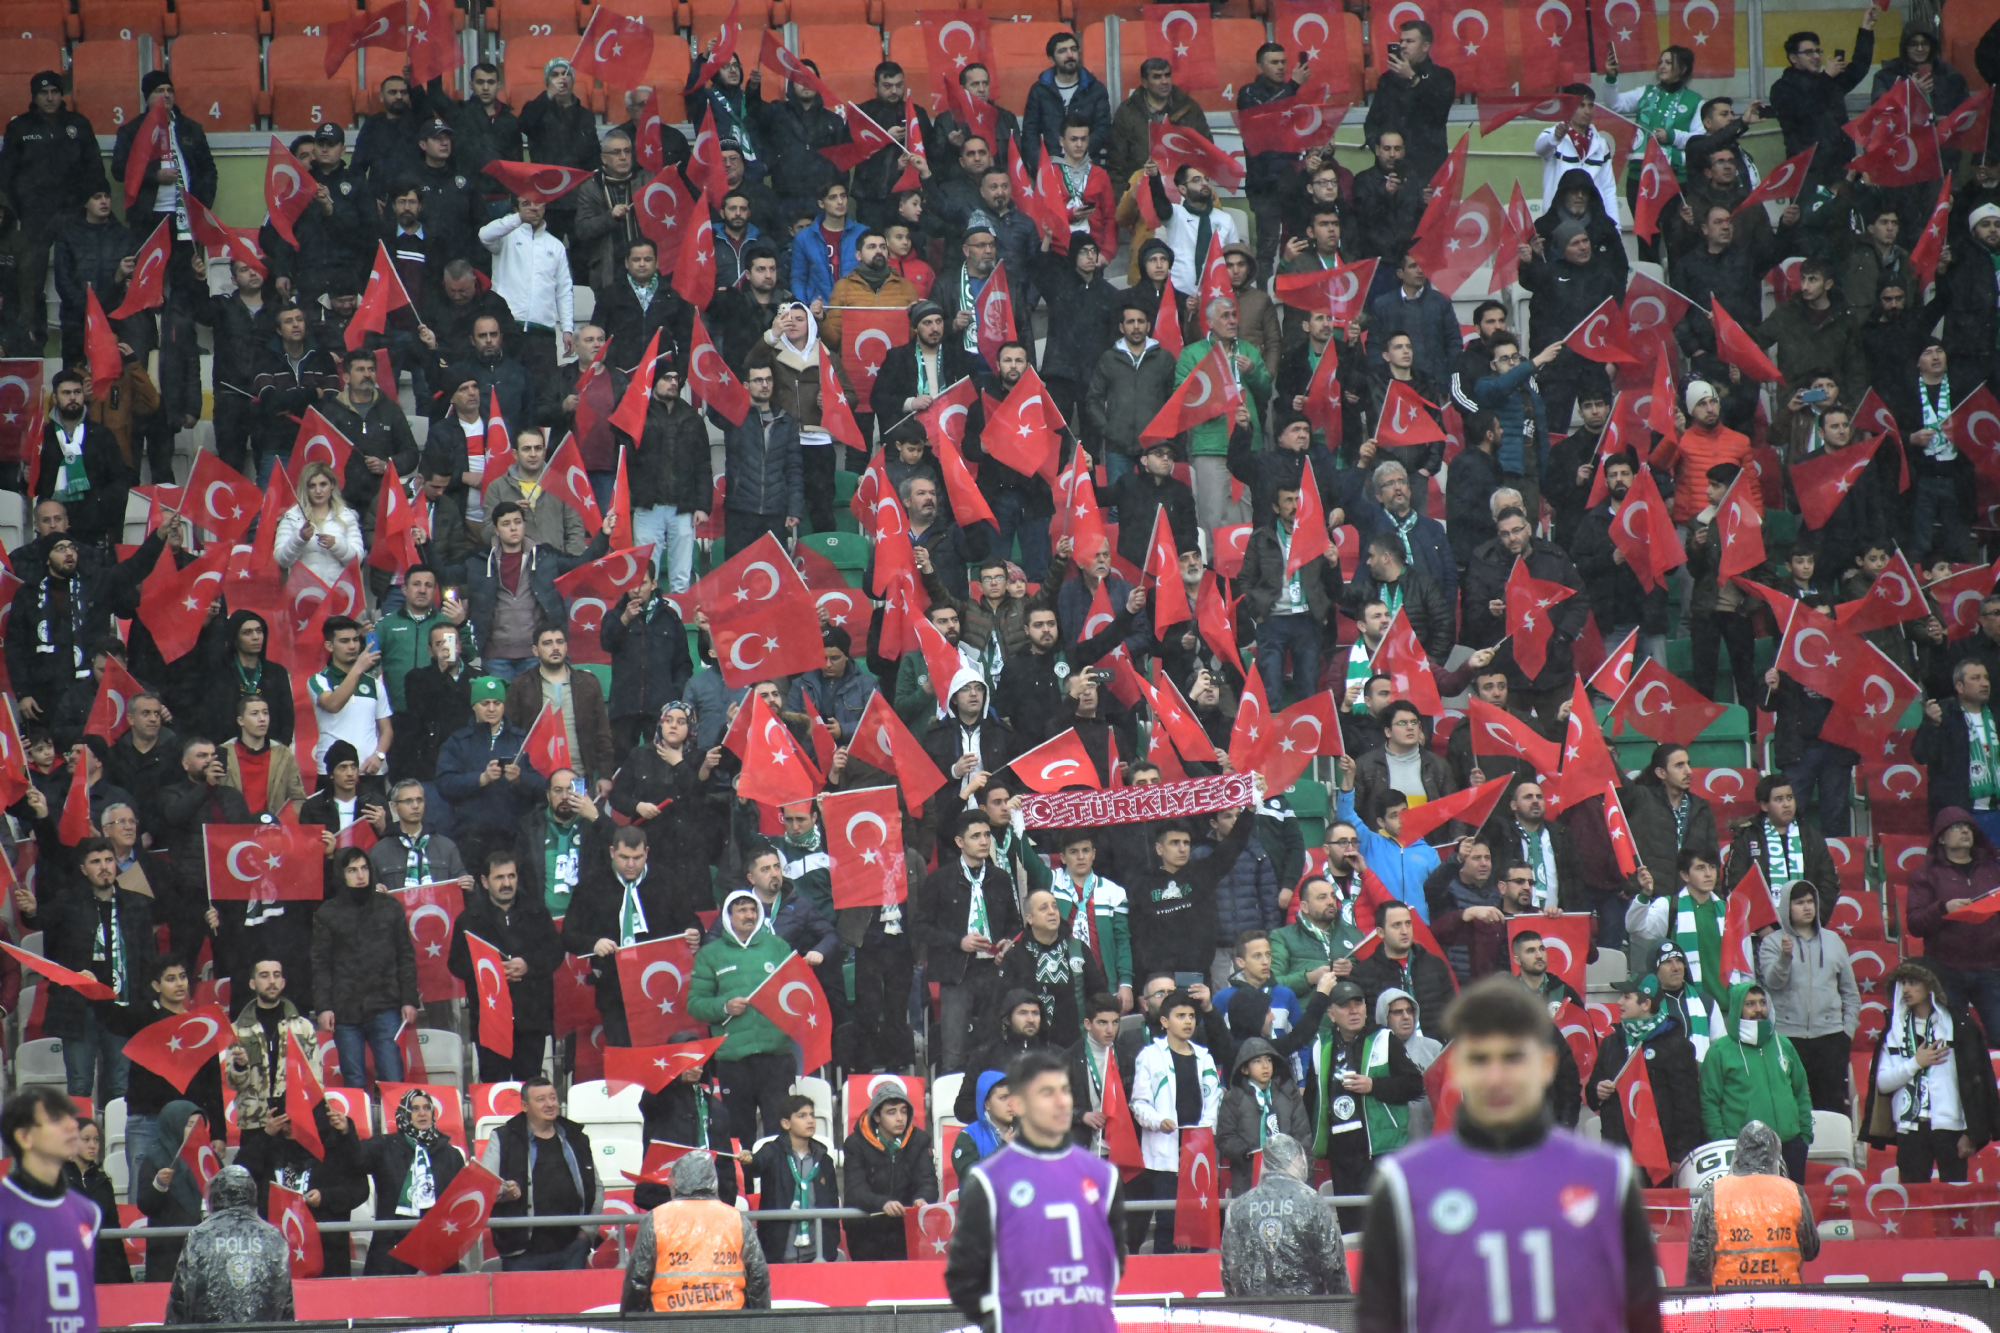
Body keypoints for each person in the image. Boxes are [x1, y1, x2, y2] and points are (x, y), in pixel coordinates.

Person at [1356, 974, 1662, 1332]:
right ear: (1457, 1068)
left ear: (1546, 1064)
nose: (1496, 1077)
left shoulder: (1608, 1178)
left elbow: (1642, 1320)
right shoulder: (1403, 1186)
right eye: (1480, 1059)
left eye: (1513, 1057)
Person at [946, 1049, 1127, 1328]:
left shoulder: (1104, 1176)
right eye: (1046, 1093)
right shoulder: (988, 1180)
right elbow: (963, 1275)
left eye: (1065, 1091)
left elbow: (1114, 1262)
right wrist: (1002, 1322)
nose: (1061, 1102)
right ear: (1019, 1104)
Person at [15, 836, 156, 1105]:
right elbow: (41, 919)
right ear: (83, 869)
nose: (104, 867)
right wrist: (32, 910)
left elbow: (148, 957)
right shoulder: (68, 901)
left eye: (109, 860)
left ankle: (116, 1134)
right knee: (79, 1083)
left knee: (121, 1084)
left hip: (122, 1004)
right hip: (79, 1006)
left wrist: (146, 1002)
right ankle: (80, 1134)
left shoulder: (135, 903)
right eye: (96, 862)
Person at [1861, 961, 2000, 1183]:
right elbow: (1883, 1083)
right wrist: (1916, 1062)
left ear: (1930, 986)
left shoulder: (1959, 1027)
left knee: (1954, 1199)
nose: (1906, 989)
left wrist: (1973, 1133)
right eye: (1903, 983)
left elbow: (1978, 1082)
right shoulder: (1894, 1030)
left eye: (1913, 983)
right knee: (1914, 1198)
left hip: (1951, 1127)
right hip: (1910, 1128)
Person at [686, 890, 804, 1144]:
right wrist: (724, 1007)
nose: (749, 915)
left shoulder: (778, 946)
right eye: (742, 910)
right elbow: (695, 1004)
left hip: (776, 1058)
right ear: (728, 917)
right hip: (734, 1061)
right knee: (739, 1134)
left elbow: (798, 992)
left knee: (780, 1131)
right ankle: (744, 1173)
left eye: (753, 910)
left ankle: (777, 1172)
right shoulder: (710, 954)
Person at [448, 850, 564, 1082]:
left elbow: (555, 952)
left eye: (511, 876)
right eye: (499, 877)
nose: (507, 883)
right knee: (494, 1089)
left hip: (530, 1018)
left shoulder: (537, 913)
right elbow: (456, 963)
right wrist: (490, 970)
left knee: (529, 1088)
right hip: (489, 1020)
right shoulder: (470, 919)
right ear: (484, 881)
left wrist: (528, 964)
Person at [310, 845, 420, 1088]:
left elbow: (405, 956)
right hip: (345, 1010)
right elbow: (321, 964)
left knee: (393, 1077)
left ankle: (396, 1116)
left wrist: (409, 999)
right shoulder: (327, 913)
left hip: (386, 1005)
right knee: (354, 1081)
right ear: (341, 874)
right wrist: (324, 1007)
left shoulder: (389, 907)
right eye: (352, 870)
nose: (360, 875)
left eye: (364, 868)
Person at [1585, 975, 1704, 1184]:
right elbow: (1591, 1095)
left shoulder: (1676, 1046)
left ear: (1646, 1004)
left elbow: (1687, 1107)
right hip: (1618, 1155)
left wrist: (1679, 1155)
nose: (1619, 1002)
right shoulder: (1611, 1043)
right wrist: (1597, 1090)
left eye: (1626, 997)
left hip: (1658, 1157)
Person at [2, 1087, 103, 1331]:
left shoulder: (87, 1212)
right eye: (56, 1119)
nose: (72, 1126)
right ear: (24, 1137)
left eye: (71, 1117)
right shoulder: (5, 1208)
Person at [478, 1076, 601, 1271]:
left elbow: (596, 1186)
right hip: (521, 1253)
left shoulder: (576, 1137)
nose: (550, 1104)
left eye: (553, 1097)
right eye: (541, 1099)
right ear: (525, 1106)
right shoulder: (503, 1138)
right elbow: (484, 1185)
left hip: (572, 1249)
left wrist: (587, 1232)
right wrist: (504, 1191)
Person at [1759, 880, 1859, 1114]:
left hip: (1831, 1038)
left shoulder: (1834, 941)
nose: (1807, 907)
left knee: (1830, 1110)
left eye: (1810, 901)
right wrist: (1785, 958)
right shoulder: (1772, 942)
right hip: (1787, 1038)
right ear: (1786, 906)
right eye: (1799, 902)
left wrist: (1846, 1033)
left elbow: (1850, 993)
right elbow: (1773, 983)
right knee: (1787, 1109)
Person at [623, 1150, 770, 1310]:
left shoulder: (655, 1219)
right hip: (728, 1317)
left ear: (676, 1181)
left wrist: (630, 1318)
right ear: (714, 1180)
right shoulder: (737, 1219)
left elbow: (638, 1278)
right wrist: (759, 1318)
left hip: (669, 1317)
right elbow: (758, 1277)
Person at [1684, 1121, 1819, 1288]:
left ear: (1739, 1152)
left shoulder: (1716, 1193)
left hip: (1728, 1296)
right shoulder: (1794, 1192)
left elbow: (1699, 1256)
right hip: (1784, 1294)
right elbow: (1811, 1249)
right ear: (1774, 1154)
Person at [1701, 982, 1814, 1181]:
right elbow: (1709, 1101)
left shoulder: (1783, 1044)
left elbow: (1800, 1091)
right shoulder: (1720, 1051)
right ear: (1737, 1009)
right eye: (1750, 1004)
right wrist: (1721, 1143)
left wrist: (1804, 1135)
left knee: (1792, 1201)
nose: (1758, 1009)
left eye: (1762, 1002)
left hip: (1791, 1146)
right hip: (1744, 1150)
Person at [1218, 1132, 1347, 1296]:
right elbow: (1334, 1266)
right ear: (1297, 1159)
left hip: (1254, 1308)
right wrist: (1342, 1303)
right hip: (1305, 1308)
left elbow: (1229, 1268)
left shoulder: (1238, 1207)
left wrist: (1238, 1304)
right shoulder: (1313, 1203)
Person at [162, 1164, 294, 1323]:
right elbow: (284, 1299)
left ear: (216, 1195)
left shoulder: (199, 1236)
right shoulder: (272, 1237)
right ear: (252, 1194)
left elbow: (179, 1300)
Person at [1771, 12, 1878, 187]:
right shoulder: (1782, 88)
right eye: (1808, 52)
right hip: (1809, 173)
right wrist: (1827, 76)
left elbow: (1859, 67)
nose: (1816, 56)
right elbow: (1804, 110)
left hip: (1842, 168)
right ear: (1793, 58)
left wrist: (1866, 29)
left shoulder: (1828, 82)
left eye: (1817, 51)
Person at [841, 1081, 940, 1261]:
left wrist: (922, 1198)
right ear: (877, 1116)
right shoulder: (855, 1144)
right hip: (866, 1234)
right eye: (891, 1112)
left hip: (907, 1232)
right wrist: (883, 1203)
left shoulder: (920, 1140)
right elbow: (855, 1190)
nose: (900, 1118)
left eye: (904, 1111)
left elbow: (928, 1181)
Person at [746, 1093, 841, 1263]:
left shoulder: (824, 1159)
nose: (810, 1121)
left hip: (818, 1254)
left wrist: (831, 1242)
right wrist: (749, 1160)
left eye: (812, 1115)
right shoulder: (772, 1152)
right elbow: (756, 1165)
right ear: (786, 1123)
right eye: (802, 1116)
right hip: (779, 1252)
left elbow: (832, 1203)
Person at [1361, 21, 1456, 183]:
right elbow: (1372, 122)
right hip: (1392, 168)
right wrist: (1382, 151)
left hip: (1427, 167)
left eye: (1410, 41)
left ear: (1425, 46)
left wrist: (1412, 78)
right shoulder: (1388, 79)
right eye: (1401, 41)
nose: (1403, 46)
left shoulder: (1442, 76)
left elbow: (1438, 111)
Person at [1215, 1034, 1312, 1190]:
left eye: (1268, 1060)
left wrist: (1305, 1177)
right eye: (1257, 1061)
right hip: (1247, 1177)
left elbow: (1303, 1137)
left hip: (1289, 1176)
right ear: (1244, 1069)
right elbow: (1224, 1136)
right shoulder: (1233, 1099)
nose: (1265, 1066)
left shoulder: (1289, 1095)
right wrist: (1245, 1153)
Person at [1023, 31, 1112, 167]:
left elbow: (1102, 129)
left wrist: (1077, 154)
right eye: (1062, 51)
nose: (1070, 55)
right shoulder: (1039, 90)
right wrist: (1042, 165)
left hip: (1086, 164)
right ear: (1051, 59)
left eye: (1073, 49)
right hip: (1050, 166)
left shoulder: (1095, 89)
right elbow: (1030, 132)